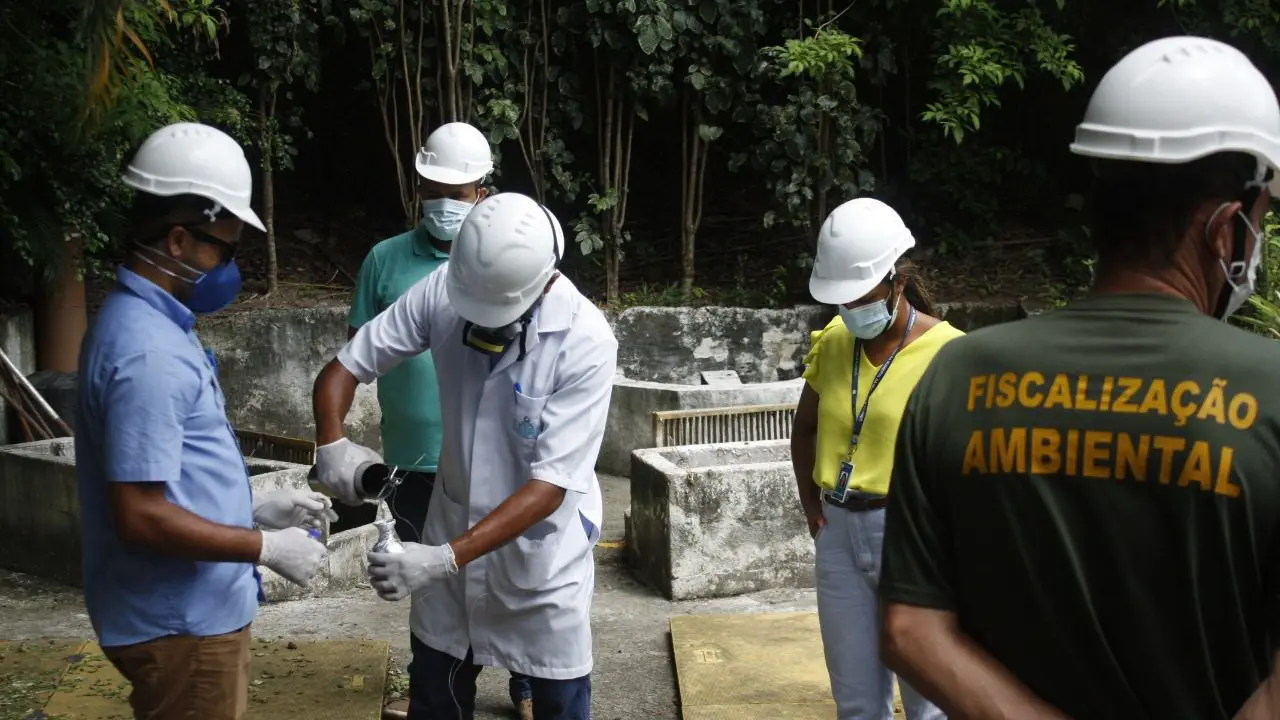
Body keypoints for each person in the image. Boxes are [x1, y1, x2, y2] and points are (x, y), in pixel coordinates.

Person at [878, 35, 1280, 720]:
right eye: (1263, 219)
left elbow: (910, 629)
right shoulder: (1270, 389)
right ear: (1224, 228)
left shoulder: (958, 374)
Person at [311, 192, 614, 720]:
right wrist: (332, 443)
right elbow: (347, 366)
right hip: (451, 524)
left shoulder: (584, 341)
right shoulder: (444, 289)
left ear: (542, 284)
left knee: (558, 702)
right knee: (436, 693)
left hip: (541, 553)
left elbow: (551, 484)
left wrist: (445, 557)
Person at [76, 122, 330, 720]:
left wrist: (245, 507)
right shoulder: (149, 354)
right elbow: (140, 515)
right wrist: (262, 545)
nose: (229, 267)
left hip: (183, 613)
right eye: (225, 249)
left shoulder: (153, 324)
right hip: (180, 624)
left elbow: (169, 476)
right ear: (178, 242)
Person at [343, 121, 534, 720]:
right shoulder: (386, 260)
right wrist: (339, 446)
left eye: (460, 191)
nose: (446, 203)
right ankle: (434, 680)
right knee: (423, 576)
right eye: (435, 189)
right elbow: (358, 353)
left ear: (483, 191)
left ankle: (529, 684)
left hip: (496, 459)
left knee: (511, 565)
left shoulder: (511, 260)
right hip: (413, 458)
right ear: (419, 186)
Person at [790, 198, 963, 720]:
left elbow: (966, 465)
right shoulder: (836, 342)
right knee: (856, 701)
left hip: (911, 533)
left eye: (859, 297)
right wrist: (811, 508)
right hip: (838, 528)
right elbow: (806, 428)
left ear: (897, 281)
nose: (849, 310)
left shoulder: (950, 355)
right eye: (840, 301)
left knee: (928, 701)